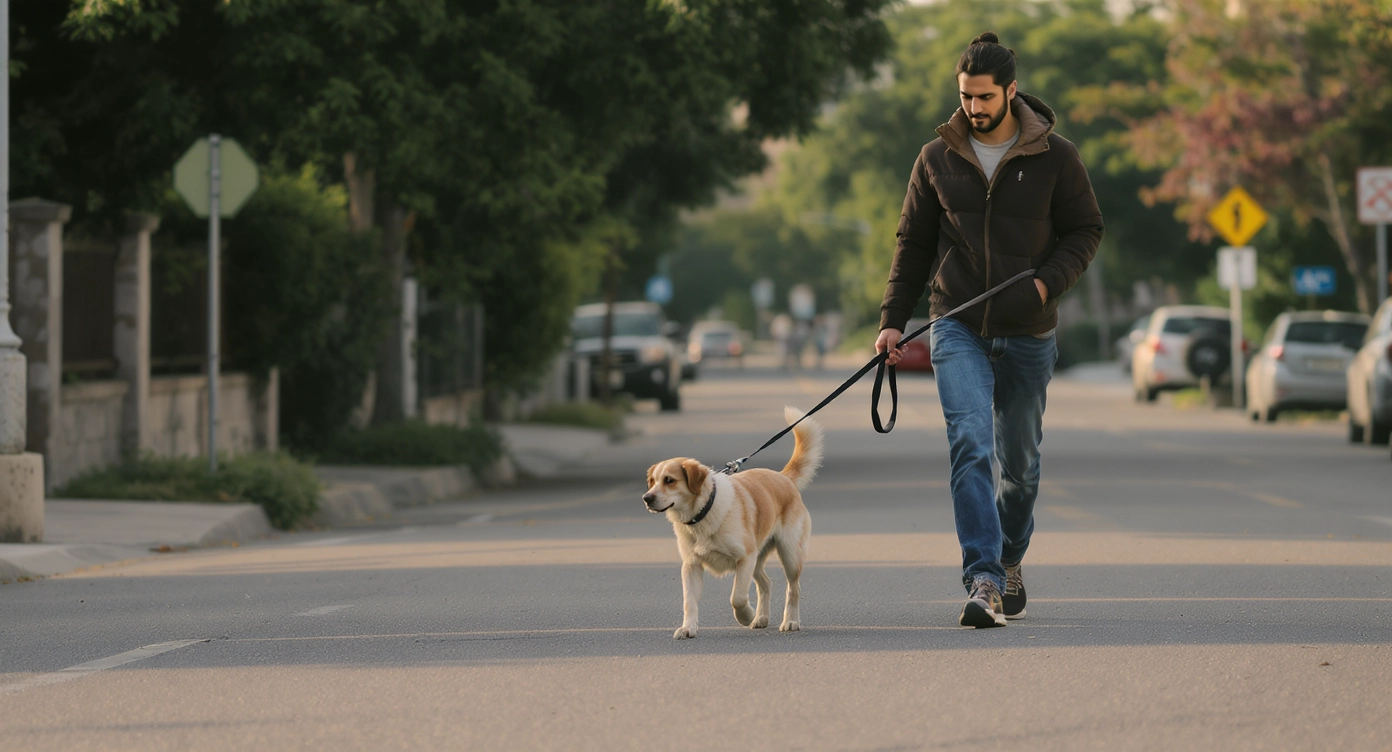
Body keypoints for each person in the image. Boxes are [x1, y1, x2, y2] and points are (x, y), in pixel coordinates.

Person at [874, 32, 1103, 628]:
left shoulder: (1058, 157)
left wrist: (1046, 284)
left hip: (1029, 329)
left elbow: (1086, 230)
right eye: (965, 97)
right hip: (957, 325)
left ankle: (1010, 557)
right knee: (970, 444)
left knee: (1020, 465)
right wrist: (893, 323)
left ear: (1010, 91)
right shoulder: (936, 159)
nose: (973, 108)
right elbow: (913, 245)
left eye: (983, 97)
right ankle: (983, 578)